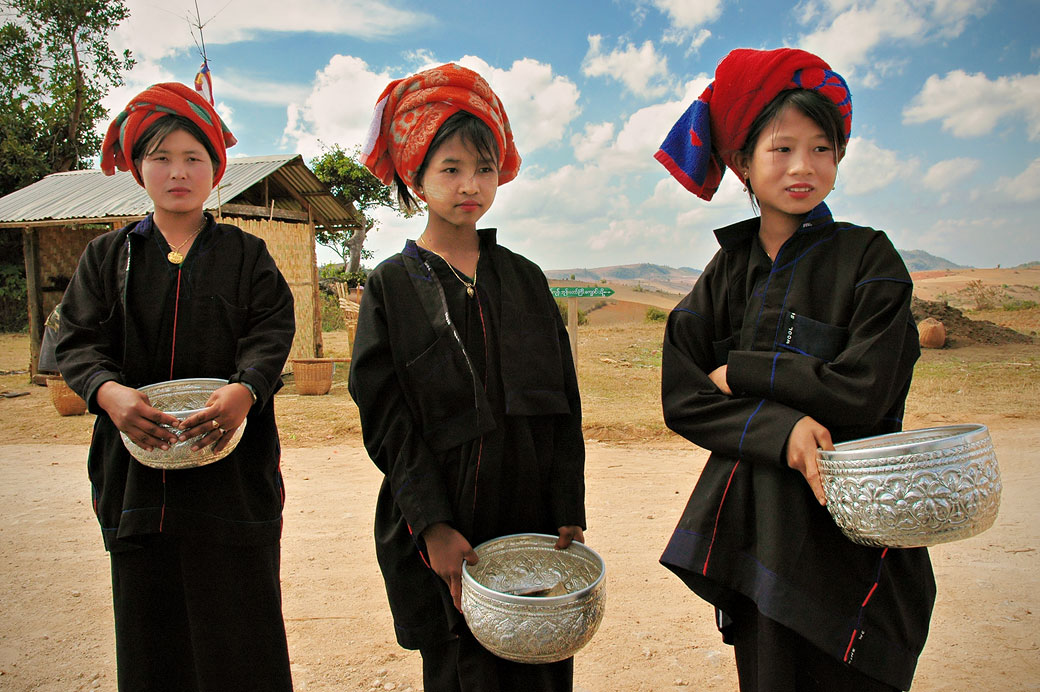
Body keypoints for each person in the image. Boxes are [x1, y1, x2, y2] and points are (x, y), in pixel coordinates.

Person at [653, 48, 935, 691]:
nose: (803, 167)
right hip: (757, 544)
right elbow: (684, 393)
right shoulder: (727, 272)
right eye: (781, 149)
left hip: (856, 540)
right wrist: (780, 433)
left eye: (822, 148)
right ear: (744, 163)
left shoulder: (870, 257)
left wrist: (746, 372)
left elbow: (864, 392)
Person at [348, 63, 586, 692]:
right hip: (447, 524)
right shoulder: (390, 287)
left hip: (531, 517)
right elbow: (387, 419)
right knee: (460, 670)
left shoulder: (527, 279)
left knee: (542, 665)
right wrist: (433, 527)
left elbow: (565, 402)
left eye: (483, 167)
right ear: (415, 175)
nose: (469, 185)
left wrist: (568, 508)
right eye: (449, 168)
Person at [55, 82, 296, 692]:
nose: (178, 172)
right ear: (138, 167)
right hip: (137, 481)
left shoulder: (248, 256)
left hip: (232, 481)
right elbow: (77, 341)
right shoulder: (107, 257)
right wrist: (109, 394)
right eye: (161, 157)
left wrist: (245, 392)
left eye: (194, 157)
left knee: (241, 638)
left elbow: (271, 331)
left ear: (216, 169)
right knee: (152, 638)